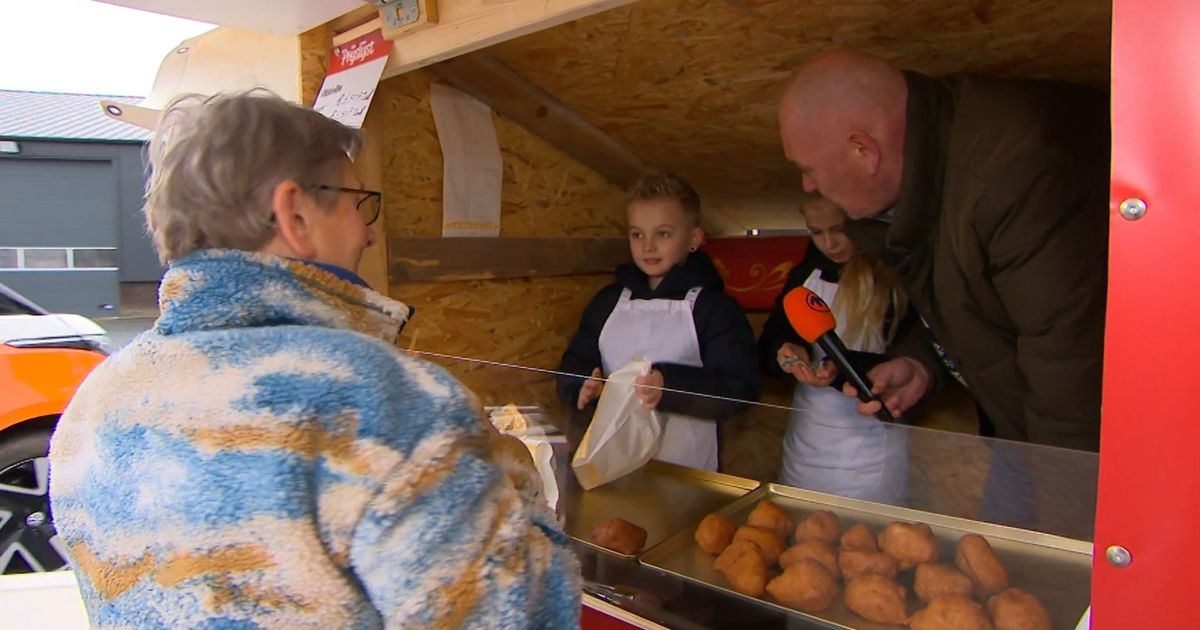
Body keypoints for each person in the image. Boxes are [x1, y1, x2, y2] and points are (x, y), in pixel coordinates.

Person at [48, 90, 580, 629]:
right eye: (359, 201)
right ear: (295, 213)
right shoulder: (381, 402)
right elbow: (517, 616)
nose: (369, 231)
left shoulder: (97, 402)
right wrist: (508, 474)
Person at [777, 51, 1109, 451]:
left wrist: (1065, 502)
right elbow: (969, 293)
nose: (808, 185)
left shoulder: (1021, 177)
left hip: (1084, 455)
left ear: (862, 150)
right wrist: (922, 363)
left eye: (810, 168)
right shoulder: (927, 166)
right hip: (1020, 438)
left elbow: (1073, 375)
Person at [556, 173, 761, 471]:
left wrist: (670, 386)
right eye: (637, 234)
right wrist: (583, 384)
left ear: (694, 238)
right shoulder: (607, 302)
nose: (648, 246)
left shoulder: (715, 309)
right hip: (612, 464)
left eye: (663, 234)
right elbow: (573, 363)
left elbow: (740, 389)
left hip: (686, 469)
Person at [759, 197, 913, 503]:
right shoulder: (805, 275)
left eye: (839, 229)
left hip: (870, 454)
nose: (829, 243)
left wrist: (839, 368)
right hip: (806, 445)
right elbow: (769, 342)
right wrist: (786, 352)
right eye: (816, 232)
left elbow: (913, 363)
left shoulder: (895, 279)